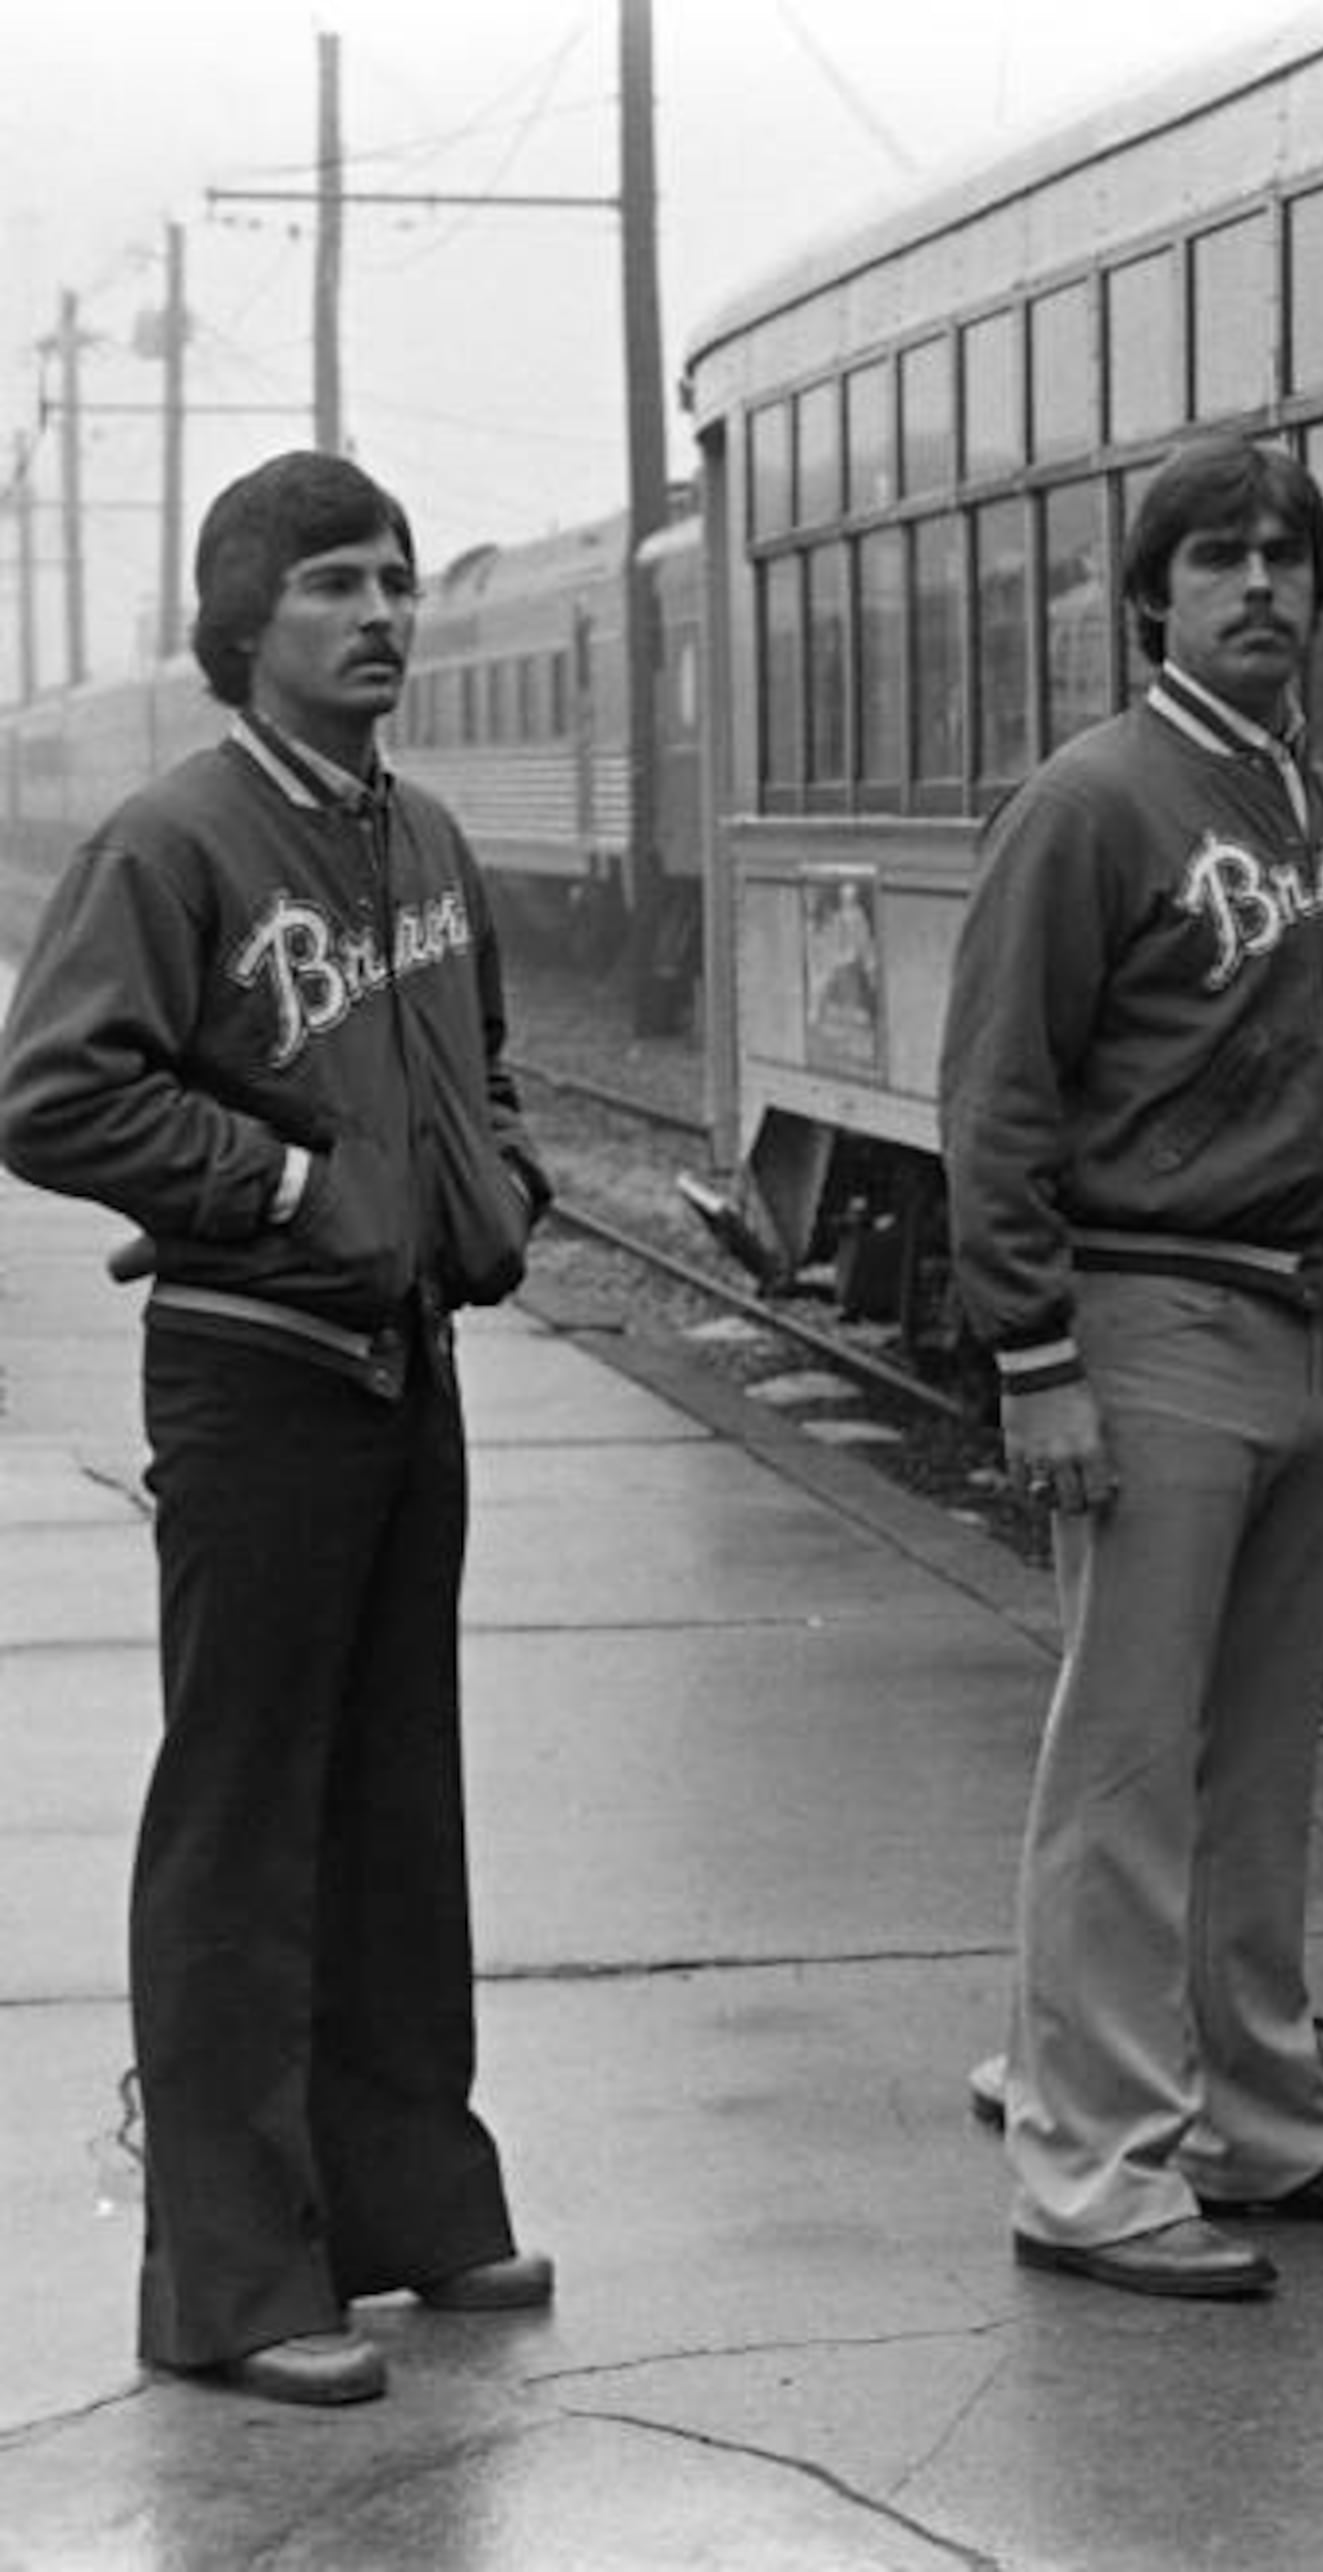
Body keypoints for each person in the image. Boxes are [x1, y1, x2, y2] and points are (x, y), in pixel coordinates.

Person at [0, 453, 558, 2406]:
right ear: (246, 625)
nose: (384, 611)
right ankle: (235, 2277)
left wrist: (501, 1171)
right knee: (244, 1819)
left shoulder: (421, 839)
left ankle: (411, 2202)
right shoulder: (178, 837)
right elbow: (51, 1093)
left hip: (409, 1367)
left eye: (399, 576)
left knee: (399, 1796)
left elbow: (470, 1057)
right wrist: (279, 1181)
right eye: (337, 582)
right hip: (255, 1376)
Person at [937, 435, 1323, 2301]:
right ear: (1151, 594)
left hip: (1311, 1324)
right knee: (1128, 1762)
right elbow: (997, 1096)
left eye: (1285, 557)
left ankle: (1261, 2119)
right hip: (1149, 1314)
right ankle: (1090, 2169)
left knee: (1255, 1767)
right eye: (1217, 559)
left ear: (1322, 590)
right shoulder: (1091, 802)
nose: (1258, 586)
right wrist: (1035, 1356)